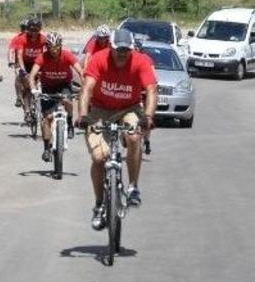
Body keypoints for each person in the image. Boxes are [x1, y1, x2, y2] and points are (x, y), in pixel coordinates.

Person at [76, 29, 158, 231]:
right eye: (118, 49)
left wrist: (147, 117)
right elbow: (87, 88)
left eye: (126, 50)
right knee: (99, 158)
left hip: (129, 108)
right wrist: (83, 115)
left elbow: (151, 90)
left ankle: (133, 187)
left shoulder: (141, 61)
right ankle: (99, 205)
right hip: (100, 110)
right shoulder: (98, 59)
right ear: (110, 47)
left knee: (133, 137)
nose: (122, 53)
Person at [28, 32, 83, 162]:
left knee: (67, 99)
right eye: (51, 47)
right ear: (47, 47)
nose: (54, 50)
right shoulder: (42, 57)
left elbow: (81, 71)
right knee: (47, 118)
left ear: (60, 46)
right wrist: (33, 89)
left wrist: (85, 86)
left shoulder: (67, 55)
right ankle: (47, 148)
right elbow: (32, 76)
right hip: (48, 87)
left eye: (57, 47)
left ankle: (69, 123)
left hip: (64, 85)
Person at [10, 17, 45, 120]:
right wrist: (23, 70)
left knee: (41, 80)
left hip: (36, 63)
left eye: (36, 31)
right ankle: (27, 110)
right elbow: (20, 55)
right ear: (28, 30)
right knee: (26, 86)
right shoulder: (22, 38)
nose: (34, 33)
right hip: (25, 62)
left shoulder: (43, 39)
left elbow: (46, 53)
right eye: (32, 30)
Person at [7, 18, 30, 107]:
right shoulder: (17, 38)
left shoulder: (33, 38)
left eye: (27, 28)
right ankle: (19, 97)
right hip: (19, 62)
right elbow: (11, 50)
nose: (25, 31)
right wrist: (11, 62)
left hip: (31, 62)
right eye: (23, 28)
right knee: (18, 77)